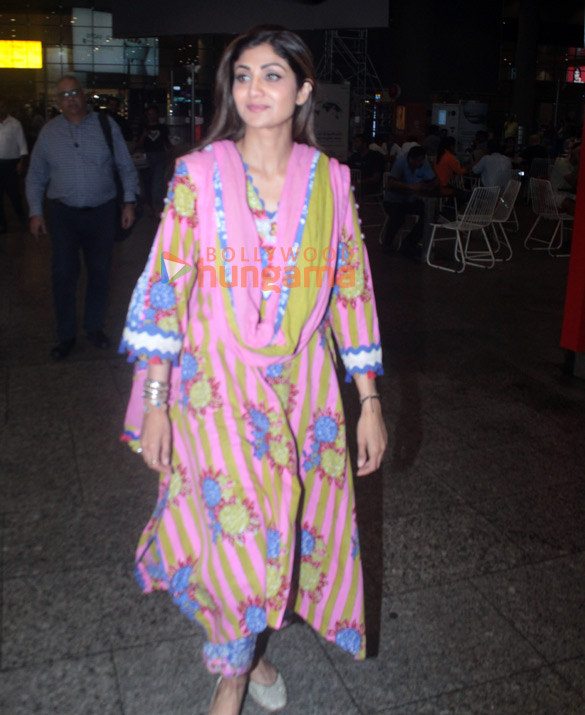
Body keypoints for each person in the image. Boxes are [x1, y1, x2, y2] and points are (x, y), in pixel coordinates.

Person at [119, 26, 387, 715]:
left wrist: (370, 401)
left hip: (304, 394)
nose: (253, 89)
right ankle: (232, 677)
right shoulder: (198, 175)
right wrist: (155, 399)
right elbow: (162, 293)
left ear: (302, 91)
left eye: (272, 75)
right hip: (215, 393)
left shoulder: (331, 183)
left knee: (283, 534)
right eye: (242, 75)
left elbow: (350, 293)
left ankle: (253, 650)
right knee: (234, 536)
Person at [26, 75, 138, 360]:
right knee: (63, 274)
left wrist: (128, 202)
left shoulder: (105, 126)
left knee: (100, 271)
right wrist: (36, 212)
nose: (70, 99)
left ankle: (94, 327)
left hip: (102, 211)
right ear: (57, 101)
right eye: (64, 95)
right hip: (63, 214)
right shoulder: (49, 133)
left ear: (84, 96)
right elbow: (36, 176)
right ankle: (66, 335)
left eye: (75, 93)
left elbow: (125, 165)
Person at [382, 145, 437, 257]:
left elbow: (434, 181)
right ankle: (387, 243)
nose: (421, 163)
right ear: (411, 159)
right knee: (398, 216)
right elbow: (391, 182)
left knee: (430, 214)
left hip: (410, 200)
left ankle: (410, 242)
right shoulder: (400, 163)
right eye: (418, 160)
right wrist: (410, 186)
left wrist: (425, 186)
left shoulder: (423, 164)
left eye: (422, 160)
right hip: (393, 200)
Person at [135, 104, 172, 215]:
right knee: (147, 183)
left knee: (157, 182)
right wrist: (143, 135)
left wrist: (170, 152)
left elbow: (167, 142)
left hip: (160, 155)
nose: (151, 116)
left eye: (153, 114)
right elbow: (138, 144)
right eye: (149, 114)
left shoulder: (162, 127)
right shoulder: (143, 127)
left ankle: (158, 207)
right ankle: (150, 206)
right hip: (146, 157)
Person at [0, 97, 28, 233]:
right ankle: (2, 224)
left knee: (14, 194)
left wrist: (21, 162)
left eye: (2, 106)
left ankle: (21, 217)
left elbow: (22, 144)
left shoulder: (15, 124)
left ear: (6, 108)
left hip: (10, 164)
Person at [550, 141, 580, 215]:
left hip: (568, 193)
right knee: (572, 205)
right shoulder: (562, 163)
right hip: (554, 194)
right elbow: (574, 183)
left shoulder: (575, 166)